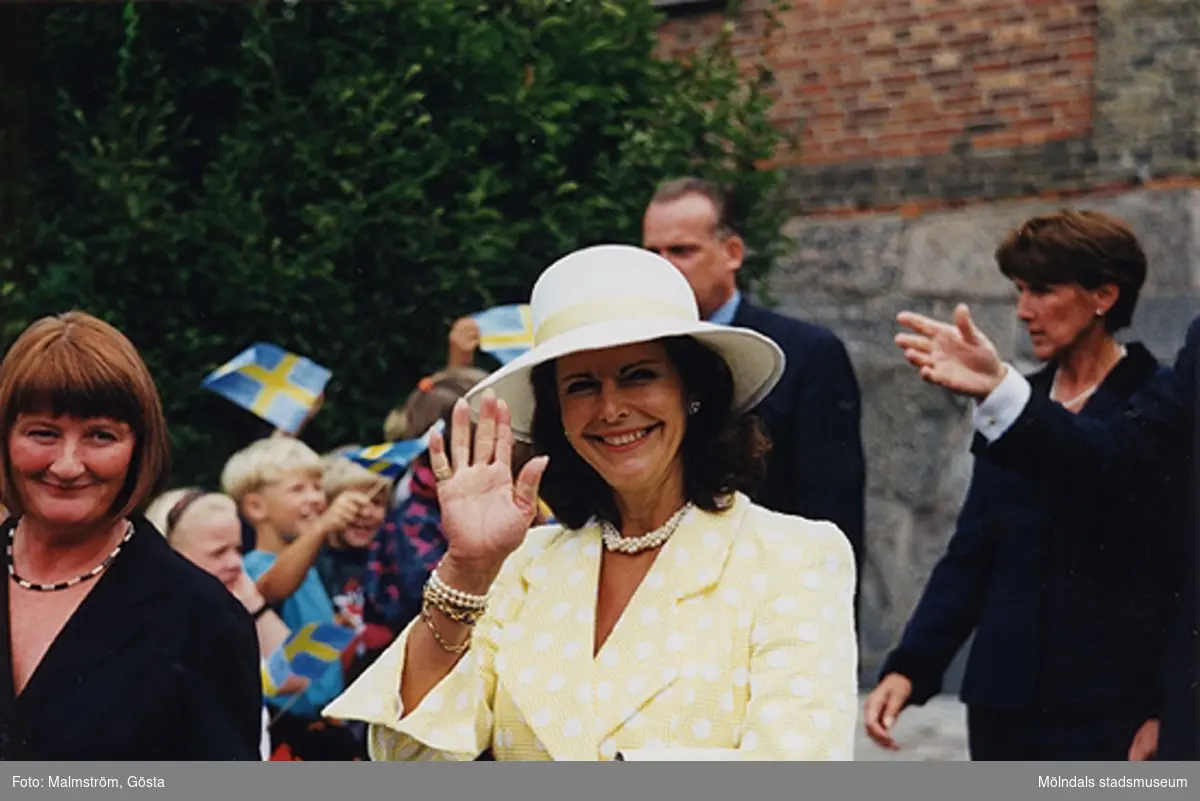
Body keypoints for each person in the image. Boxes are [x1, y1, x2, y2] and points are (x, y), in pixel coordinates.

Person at [323, 244, 858, 761]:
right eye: (581, 386)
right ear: (558, 414)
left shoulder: (792, 556)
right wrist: (466, 570)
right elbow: (407, 759)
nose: (610, 409)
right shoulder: (522, 566)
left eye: (639, 375)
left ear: (692, 394)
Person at [864, 210, 1182, 759]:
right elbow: (974, 553)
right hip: (1003, 706)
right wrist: (911, 666)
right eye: (1019, 290)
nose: (1023, 310)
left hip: (1112, 712)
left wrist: (1167, 710)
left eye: (1042, 290)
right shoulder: (1014, 402)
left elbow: (1179, 574)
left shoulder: (1157, 402)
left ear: (1103, 295)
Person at [0, 311, 261, 760]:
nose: (66, 464)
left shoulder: (201, 618)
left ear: (140, 447)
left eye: (100, 437)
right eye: (42, 433)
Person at [643, 177, 867, 613]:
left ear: (732, 254)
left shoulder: (803, 353)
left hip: (766, 606)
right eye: (653, 254)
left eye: (682, 251)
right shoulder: (634, 359)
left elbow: (830, 512)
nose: (665, 267)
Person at [220, 436, 368, 760]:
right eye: (298, 489)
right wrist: (322, 527)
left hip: (329, 725)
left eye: (317, 487)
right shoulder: (248, 569)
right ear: (256, 507)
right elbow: (272, 589)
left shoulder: (312, 564)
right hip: (287, 733)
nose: (316, 498)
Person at [148, 488, 305, 760]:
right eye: (218, 552)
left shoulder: (234, 613)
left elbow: (297, 675)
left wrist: (255, 603)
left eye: (238, 549)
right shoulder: (159, 629)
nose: (235, 562)